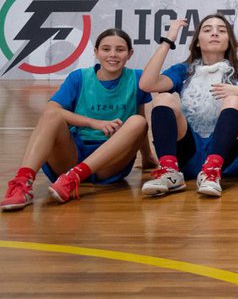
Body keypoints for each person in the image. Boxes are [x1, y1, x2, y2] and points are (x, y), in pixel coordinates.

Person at [2, 29, 148, 210]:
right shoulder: (79, 77)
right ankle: (23, 183)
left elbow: (141, 122)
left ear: (130, 53)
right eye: (106, 49)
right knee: (52, 114)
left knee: (138, 121)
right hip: (72, 154)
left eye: (120, 50)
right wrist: (94, 123)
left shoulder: (137, 78)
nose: (113, 54)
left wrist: (148, 157)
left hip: (109, 162)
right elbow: (51, 110)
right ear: (96, 52)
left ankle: (75, 177)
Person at [139, 15, 238, 197]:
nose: (214, 33)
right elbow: (146, 84)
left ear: (229, 42)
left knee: (234, 100)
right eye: (207, 30)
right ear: (197, 42)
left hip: (229, 158)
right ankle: (169, 171)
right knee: (163, 98)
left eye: (221, 30)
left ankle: (212, 171)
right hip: (188, 153)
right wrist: (168, 40)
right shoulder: (182, 70)